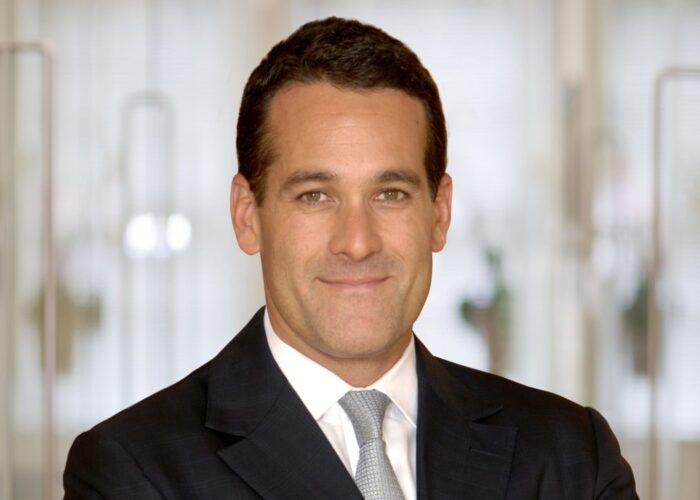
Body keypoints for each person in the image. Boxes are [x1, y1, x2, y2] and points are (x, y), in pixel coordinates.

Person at [63, 17, 638, 499]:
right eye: (315, 196)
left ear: (439, 213)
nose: (357, 242)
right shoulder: (134, 472)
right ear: (247, 215)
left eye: (391, 194)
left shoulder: (570, 458)